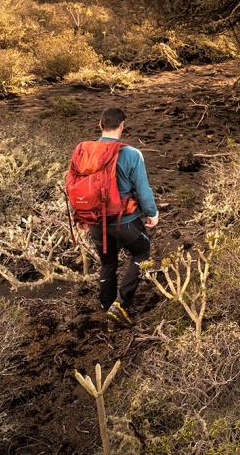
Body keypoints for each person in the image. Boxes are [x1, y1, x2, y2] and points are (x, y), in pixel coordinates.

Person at [80, 106, 159, 326]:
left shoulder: (85, 152)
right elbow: (143, 190)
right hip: (124, 221)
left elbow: (76, 185)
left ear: (100, 125)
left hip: (95, 221)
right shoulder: (132, 153)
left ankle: (106, 306)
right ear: (122, 126)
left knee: (108, 263)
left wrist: (81, 217)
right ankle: (121, 305)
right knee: (142, 253)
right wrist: (152, 213)